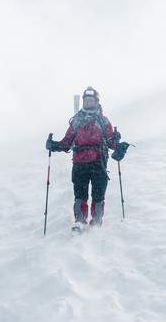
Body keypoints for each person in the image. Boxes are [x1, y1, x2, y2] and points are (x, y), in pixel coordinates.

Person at [46, 86, 130, 228]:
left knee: (98, 194)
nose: (88, 102)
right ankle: (80, 221)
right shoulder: (76, 121)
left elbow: (110, 142)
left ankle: (97, 221)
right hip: (80, 163)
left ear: (96, 102)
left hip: (99, 163)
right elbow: (67, 143)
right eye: (86, 100)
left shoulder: (103, 121)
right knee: (80, 194)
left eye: (91, 100)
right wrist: (54, 145)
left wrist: (117, 143)